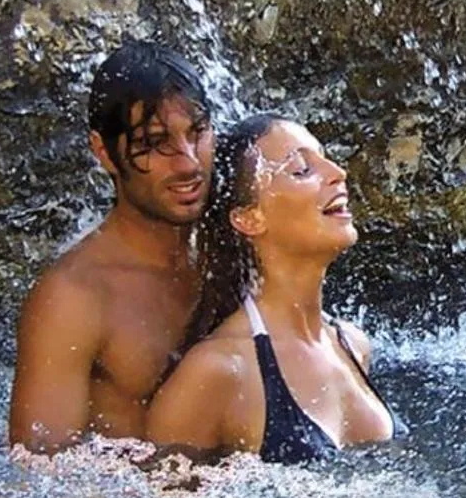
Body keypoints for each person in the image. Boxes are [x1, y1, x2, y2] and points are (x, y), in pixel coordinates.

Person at [146, 114, 398, 461]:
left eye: (325, 158)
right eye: (301, 170)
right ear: (249, 218)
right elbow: (159, 493)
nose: (338, 172)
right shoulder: (217, 370)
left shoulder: (353, 344)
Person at [9, 41, 216, 454]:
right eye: (155, 143)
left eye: (198, 133)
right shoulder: (74, 298)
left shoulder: (233, 248)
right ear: (104, 152)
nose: (189, 162)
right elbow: (40, 470)